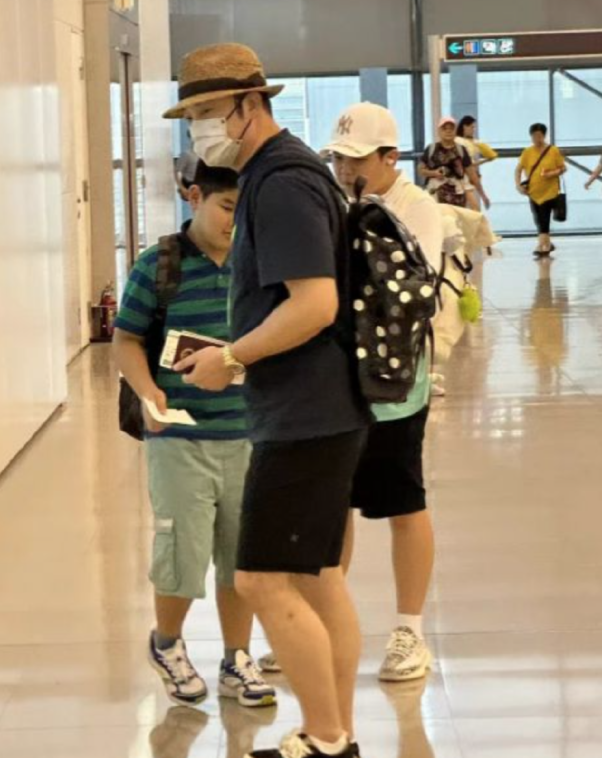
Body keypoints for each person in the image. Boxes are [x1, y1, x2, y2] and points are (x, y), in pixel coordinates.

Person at [165, 43, 370, 758]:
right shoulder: (279, 175)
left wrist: (232, 356)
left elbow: (315, 304)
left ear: (251, 104)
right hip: (318, 408)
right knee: (318, 579)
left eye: (209, 111)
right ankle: (335, 733)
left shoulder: (281, 182)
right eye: (192, 116)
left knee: (260, 578)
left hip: (306, 416)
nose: (201, 128)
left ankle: (327, 737)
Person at [260, 102, 443, 684]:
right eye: (338, 159)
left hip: (394, 384)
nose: (344, 170)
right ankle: (318, 624)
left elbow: (409, 292)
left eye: (357, 160)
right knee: (330, 505)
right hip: (336, 385)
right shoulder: (331, 203)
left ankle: (410, 630)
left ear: (391, 157)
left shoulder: (417, 209)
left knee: (402, 501)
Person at [113, 161, 276, 710]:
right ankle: (167, 643)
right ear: (195, 197)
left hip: (248, 434)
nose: (235, 221)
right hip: (179, 436)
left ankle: (237, 657)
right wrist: (147, 394)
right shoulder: (159, 266)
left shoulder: (259, 264)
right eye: (227, 207)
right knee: (182, 551)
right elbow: (126, 341)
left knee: (241, 556)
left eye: (245, 211)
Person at [516, 123, 567, 258]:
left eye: (539, 136)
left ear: (544, 136)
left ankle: (542, 246)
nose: (536, 139)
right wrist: (518, 185)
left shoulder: (553, 151)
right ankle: (547, 243)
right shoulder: (527, 152)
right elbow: (518, 170)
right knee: (538, 219)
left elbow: (563, 168)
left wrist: (552, 173)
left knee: (544, 218)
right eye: (534, 136)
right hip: (533, 192)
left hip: (550, 191)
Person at [420, 116, 490, 210]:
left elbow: (472, 175)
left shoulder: (461, 150)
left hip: (457, 196)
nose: (448, 131)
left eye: (451, 128)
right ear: (439, 131)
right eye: (445, 128)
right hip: (435, 194)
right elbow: (421, 170)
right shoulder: (431, 149)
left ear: (455, 131)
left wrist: (483, 195)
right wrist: (434, 173)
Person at [456, 115, 498, 212]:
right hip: (462, 179)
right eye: (471, 127)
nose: (473, 130)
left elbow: (492, 155)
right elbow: (492, 155)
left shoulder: (473, 143)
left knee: (471, 209)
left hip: (468, 178)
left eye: (474, 127)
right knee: (472, 209)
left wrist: (476, 163)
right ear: (464, 127)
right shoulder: (459, 141)